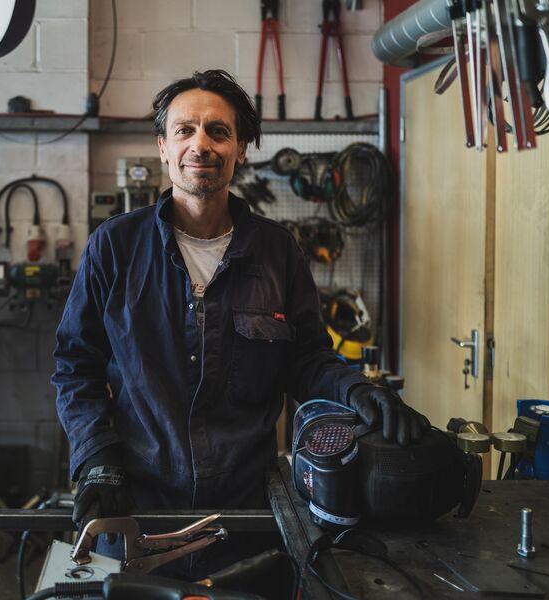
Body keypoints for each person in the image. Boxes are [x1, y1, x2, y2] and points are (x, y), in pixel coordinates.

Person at [51, 69, 429, 578]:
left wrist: (357, 391)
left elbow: (306, 359)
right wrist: (96, 458)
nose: (200, 144)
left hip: (250, 515)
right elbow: (76, 366)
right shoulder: (114, 248)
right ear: (163, 147)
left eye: (218, 131)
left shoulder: (278, 252)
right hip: (136, 507)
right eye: (184, 130)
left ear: (241, 150)